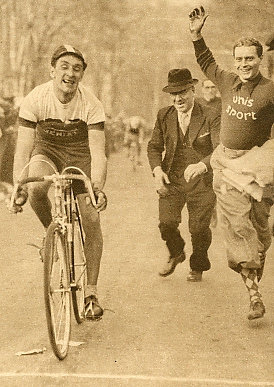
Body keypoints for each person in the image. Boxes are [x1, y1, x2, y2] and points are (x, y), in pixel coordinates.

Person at [188, 6, 274, 319]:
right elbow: (207, 62)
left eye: (249, 58)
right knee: (239, 227)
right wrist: (197, 36)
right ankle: (254, 295)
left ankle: (257, 255)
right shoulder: (226, 81)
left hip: (259, 167)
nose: (243, 64)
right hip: (226, 164)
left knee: (261, 229)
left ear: (260, 59)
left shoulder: (269, 90)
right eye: (239, 59)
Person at [11, 45, 108, 320]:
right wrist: (19, 185)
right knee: (36, 187)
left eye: (77, 69)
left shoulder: (91, 104)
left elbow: (99, 153)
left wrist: (96, 187)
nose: (70, 73)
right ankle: (51, 234)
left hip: (80, 153)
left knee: (90, 216)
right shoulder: (35, 98)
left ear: (82, 75)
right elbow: (23, 151)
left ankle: (90, 293)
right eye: (64, 66)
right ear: (52, 71)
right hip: (48, 149)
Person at [147, 68, 220, 282]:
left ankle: (198, 264)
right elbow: (154, 147)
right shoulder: (164, 115)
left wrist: (202, 165)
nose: (178, 98)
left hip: (202, 180)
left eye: (182, 92)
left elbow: (219, 148)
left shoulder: (210, 114)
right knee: (166, 223)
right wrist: (157, 170)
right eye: (173, 94)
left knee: (198, 228)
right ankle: (176, 251)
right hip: (173, 179)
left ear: (193, 90)